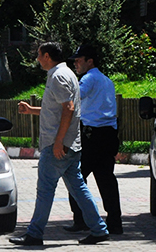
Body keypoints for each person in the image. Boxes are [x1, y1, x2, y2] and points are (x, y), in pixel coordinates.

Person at [9, 42, 109, 246]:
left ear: (47, 56)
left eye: (39, 55)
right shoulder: (67, 74)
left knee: (45, 189)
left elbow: (68, 108)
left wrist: (58, 142)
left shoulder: (58, 76)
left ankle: (34, 234)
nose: (37, 59)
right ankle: (99, 229)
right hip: (70, 144)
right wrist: (32, 110)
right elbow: (57, 109)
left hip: (59, 146)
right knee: (79, 188)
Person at [64, 45, 123, 235]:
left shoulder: (88, 79)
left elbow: (74, 99)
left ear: (90, 61)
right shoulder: (107, 81)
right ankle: (115, 222)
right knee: (106, 180)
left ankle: (81, 219)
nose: (75, 64)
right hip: (108, 134)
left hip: (91, 135)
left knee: (75, 177)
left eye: (79, 60)